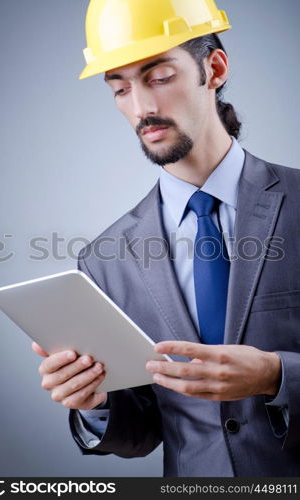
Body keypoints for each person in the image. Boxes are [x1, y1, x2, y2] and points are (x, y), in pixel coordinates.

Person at [33, 0, 300, 476]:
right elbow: (145, 429)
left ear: (213, 68)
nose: (142, 109)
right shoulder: (104, 261)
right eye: (120, 89)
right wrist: (95, 403)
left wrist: (277, 375)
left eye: (158, 78)